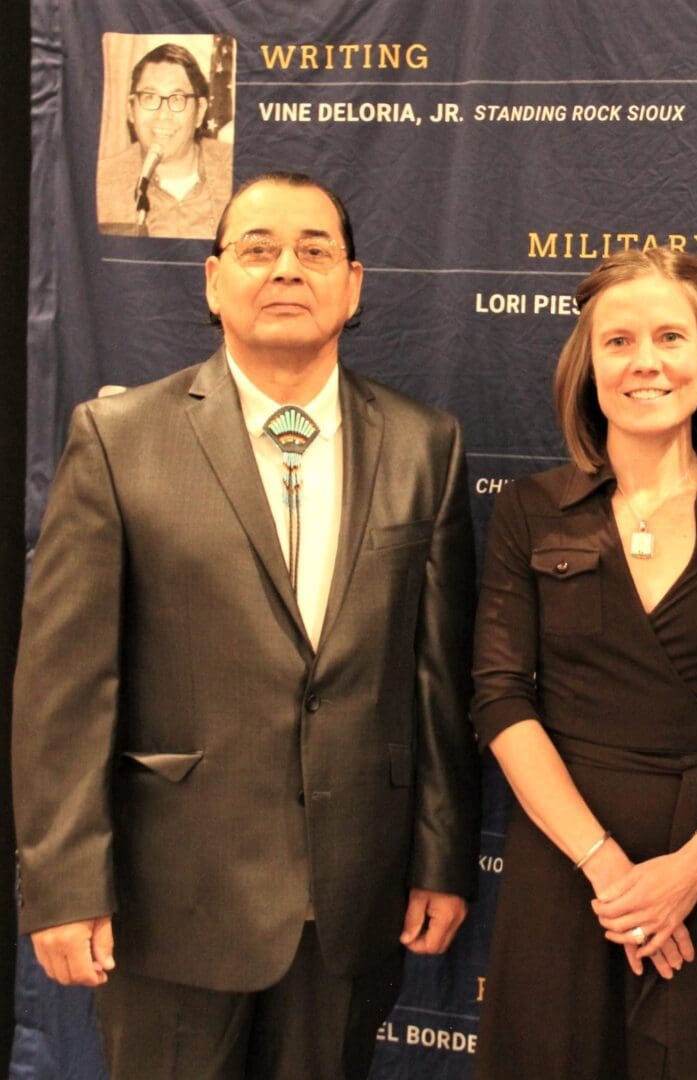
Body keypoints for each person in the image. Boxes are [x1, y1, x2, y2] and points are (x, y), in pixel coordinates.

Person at [13, 171, 479, 1078]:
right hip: (169, 900)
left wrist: (441, 854)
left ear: (353, 284)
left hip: (352, 900)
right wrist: (63, 886)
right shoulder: (117, 439)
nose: (285, 269)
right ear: (213, 280)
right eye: (257, 248)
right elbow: (64, 688)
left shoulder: (427, 446)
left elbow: (437, 685)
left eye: (314, 250)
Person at [471, 248, 697, 1076]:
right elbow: (501, 699)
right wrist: (611, 874)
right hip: (565, 864)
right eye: (618, 342)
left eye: (669, 337)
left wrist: (693, 866)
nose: (645, 361)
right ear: (588, 368)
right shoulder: (531, 511)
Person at [97, 42, 233, 238]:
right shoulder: (103, 185)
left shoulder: (236, 171)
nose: (162, 115)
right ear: (130, 110)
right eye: (150, 97)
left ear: (199, 111)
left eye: (177, 99)